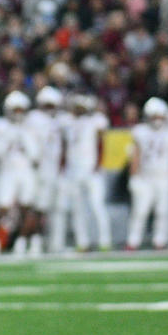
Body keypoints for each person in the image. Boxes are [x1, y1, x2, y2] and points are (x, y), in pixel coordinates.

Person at [0, 91, 40, 257]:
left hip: (25, 171)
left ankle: (22, 242)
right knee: (2, 208)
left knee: (27, 207)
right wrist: (10, 138)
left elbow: (35, 155)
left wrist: (24, 138)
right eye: (15, 110)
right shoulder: (1, 126)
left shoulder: (31, 127)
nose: (18, 114)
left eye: (20, 110)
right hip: (7, 171)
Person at [126, 98, 168, 250]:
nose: (157, 120)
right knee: (140, 211)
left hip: (164, 177)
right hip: (145, 178)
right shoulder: (140, 131)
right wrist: (133, 176)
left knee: (163, 211)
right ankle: (133, 241)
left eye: (159, 116)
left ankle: (160, 241)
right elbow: (136, 155)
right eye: (154, 116)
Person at [63, 93, 112, 252]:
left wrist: (98, 163)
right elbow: (65, 147)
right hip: (74, 170)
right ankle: (82, 242)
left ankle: (105, 240)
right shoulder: (68, 122)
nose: (78, 110)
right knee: (78, 209)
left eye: (81, 107)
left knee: (97, 205)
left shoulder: (94, 121)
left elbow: (101, 141)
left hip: (91, 169)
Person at [25, 86, 66, 255]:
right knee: (38, 207)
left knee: (56, 208)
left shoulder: (59, 120)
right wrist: (36, 161)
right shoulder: (34, 118)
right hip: (39, 168)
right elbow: (30, 143)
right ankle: (33, 242)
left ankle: (55, 243)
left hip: (54, 168)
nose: (51, 108)